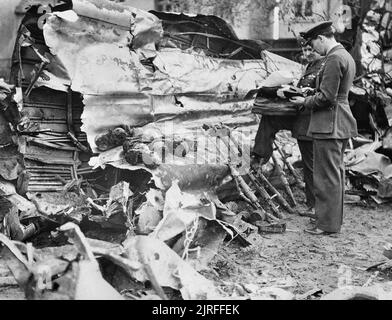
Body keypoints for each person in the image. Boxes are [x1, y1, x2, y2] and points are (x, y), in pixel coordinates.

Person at [290, 21, 357, 235]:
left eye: (313, 44)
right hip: (339, 120)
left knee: (325, 176)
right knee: (335, 175)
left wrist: (303, 102)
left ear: (321, 38)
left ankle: (326, 225)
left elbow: (327, 98)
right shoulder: (345, 55)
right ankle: (331, 222)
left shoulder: (334, 58)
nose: (313, 49)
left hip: (329, 123)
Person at [251, 47, 326, 213]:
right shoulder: (311, 66)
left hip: (312, 119)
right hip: (301, 114)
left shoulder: (327, 65)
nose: (308, 53)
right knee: (270, 118)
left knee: (311, 165)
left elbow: (325, 95)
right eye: (305, 50)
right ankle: (260, 156)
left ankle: (315, 206)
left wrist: (305, 94)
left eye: (311, 49)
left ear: (321, 47)